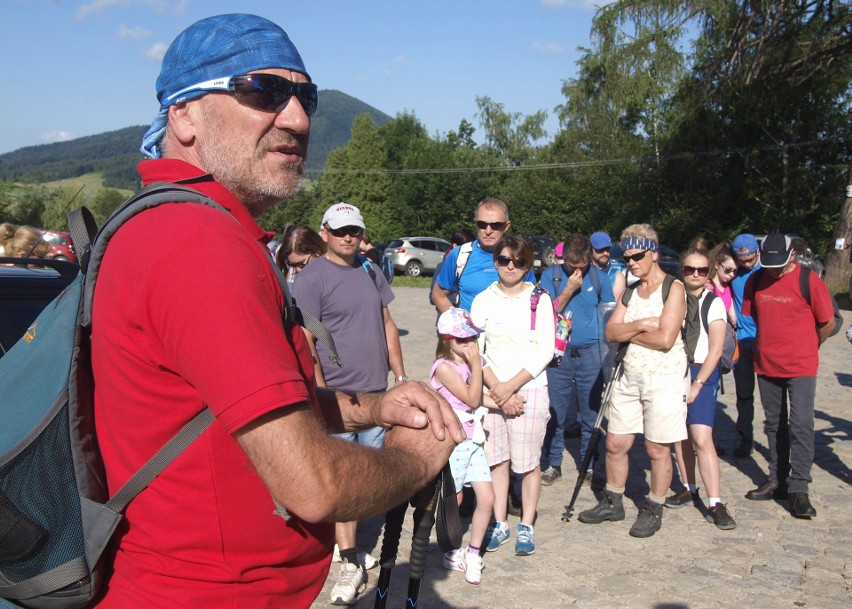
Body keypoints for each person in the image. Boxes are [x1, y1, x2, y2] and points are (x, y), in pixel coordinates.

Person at [90, 15, 463, 609]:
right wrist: (411, 461)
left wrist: (373, 406)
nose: (297, 118)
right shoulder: (198, 243)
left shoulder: (165, 224)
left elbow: (234, 410)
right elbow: (314, 486)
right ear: (183, 114)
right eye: (263, 92)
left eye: (304, 96)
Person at [293, 201, 408, 605]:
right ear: (324, 232)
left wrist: (400, 376)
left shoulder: (370, 269)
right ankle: (348, 560)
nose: (348, 237)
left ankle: (358, 545)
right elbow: (306, 340)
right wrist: (324, 394)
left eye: (354, 231)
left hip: (377, 393)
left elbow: (386, 323)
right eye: (340, 231)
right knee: (343, 481)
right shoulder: (311, 279)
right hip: (340, 397)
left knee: (369, 476)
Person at [578, 223, 687, 538]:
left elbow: (666, 339)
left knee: (656, 449)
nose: (631, 262)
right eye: (625, 257)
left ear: (653, 253)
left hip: (664, 378)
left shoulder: (674, 288)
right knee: (615, 443)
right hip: (627, 375)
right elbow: (610, 332)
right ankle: (613, 500)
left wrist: (630, 333)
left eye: (637, 256)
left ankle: (654, 507)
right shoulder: (629, 290)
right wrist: (641, 325)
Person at [471, 235, 555, 557]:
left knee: (528, 464)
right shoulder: (483, 300)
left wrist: (510, 388)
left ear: (528, 264)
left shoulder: (540, 299)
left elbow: (544, 350)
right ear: (495, 262)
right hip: (493, 391)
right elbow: (475, 350)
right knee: (498, 462)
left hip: (529, 389)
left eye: (518, 262)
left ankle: (527, 525)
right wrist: (498, 389)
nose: (511, 266)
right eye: (505, 260)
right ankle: (501, 522)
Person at [742, 233, 835, 518]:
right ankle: (777, 480)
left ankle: (799, 489)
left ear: (792, 256)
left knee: (801, 424)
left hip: (801, 366)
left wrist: (808, 344)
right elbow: (756, 316)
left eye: (778, 265)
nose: (773, 270)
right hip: (767, 364)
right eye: (768, 265)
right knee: (773, 424)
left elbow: (828, 322)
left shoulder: (809, 281)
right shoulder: (755, 281)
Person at [665, 242, 736, 530]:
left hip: (700, 370)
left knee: (702, 437)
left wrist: (698, 383)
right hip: (673, 370)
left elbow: (716, 350)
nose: (695, 273)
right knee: (679, 435)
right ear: (681, 271)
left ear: (709, 272)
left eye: (701, 269)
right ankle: (688, 486)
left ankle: (715, 501)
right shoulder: (674, 297)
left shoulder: (713, 302)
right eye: (690, 269)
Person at [538, 234, 614, 487]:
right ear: (564, 258)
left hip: (590, 353)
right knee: (555, 413)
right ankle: (553, 462)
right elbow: (546, 313)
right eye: (572, 265)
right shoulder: (552, 275)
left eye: (582, 265)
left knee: (590, 413)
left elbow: (608, 316)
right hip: (558, 355)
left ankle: (590, 464)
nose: (578, 271)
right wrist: (569, 288)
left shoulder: (599, 277)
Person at [430, 308, 495, 585]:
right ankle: (450, 548)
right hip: (455, 442)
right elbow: (470, 399)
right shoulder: (443, 368)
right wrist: (477, 364)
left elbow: (479, 398)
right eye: (462, 340)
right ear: (446, 340)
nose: (469, 345)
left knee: (487, 498)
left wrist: (506, 402)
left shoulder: (468, 365)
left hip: (473, 441)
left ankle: (474, 551)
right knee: (453, 501)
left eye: (472, 339)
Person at [432, 198, 534, 313]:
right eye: (482, 224)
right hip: (471, 330)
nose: (488, 231)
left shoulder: (519, 257)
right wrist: (459, 326)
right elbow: (438, 295)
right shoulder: (460, 255)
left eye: (495, 225)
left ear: (506, 226)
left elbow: (530, 299)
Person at [730, 233, 761, 457]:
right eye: (743, 261)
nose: (746, 264)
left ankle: (780, 439)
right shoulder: (733, 274)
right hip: (742, 339)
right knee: (743, 393)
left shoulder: (768, 272)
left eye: (750, 259)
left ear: (757, 253)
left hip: (766, 340)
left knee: (774, 395)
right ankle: (745, 437)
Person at [707, 241, 738, 327]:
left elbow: (733, 317)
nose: (732, 274)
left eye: (735, 271)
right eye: (728, 270)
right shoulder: (708, 285)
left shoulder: (728, 286)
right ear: (717, 264)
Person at [590, 230, 627, 300]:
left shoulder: (616, 273)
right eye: (600, 249)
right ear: (590, 250)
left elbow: (615, 305)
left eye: (607, 249)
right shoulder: (584, 271)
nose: (605, 253)